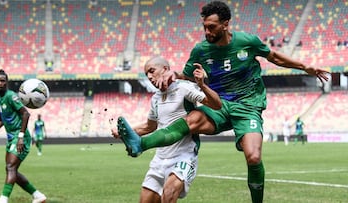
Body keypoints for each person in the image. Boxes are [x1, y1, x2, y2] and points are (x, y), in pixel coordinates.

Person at [117, 1, 330, 203]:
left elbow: (274, 57)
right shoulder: (201, 50)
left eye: (211, 27)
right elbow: (187, 75)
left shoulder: (247, 41)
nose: (207, 32)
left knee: (254, 157)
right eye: (204, 28)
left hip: (248, 106)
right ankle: (140, 144)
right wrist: (174, 74)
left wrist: (305, 67)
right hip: (219, 104)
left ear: (226, 24)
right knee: (192, 120)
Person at [113, 56, 222, 203]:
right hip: (159, 159)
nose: (150, 77)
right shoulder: (156, 98)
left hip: (183, 156)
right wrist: (124, 133)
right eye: (147, 75)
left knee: (169, 194)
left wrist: (202, 85)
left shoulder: (183, 87)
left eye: (152, 71)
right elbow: (149, 127)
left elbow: (217, 105)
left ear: (165, 69)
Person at [0, 70, 47, 203]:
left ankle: (3, 199)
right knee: (11, 169)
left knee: (10, 167)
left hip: (20, 137)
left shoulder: (11, 96)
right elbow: (1, 121)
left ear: (6, 82)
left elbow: (25, 114)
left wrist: (20, 136)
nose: (0, 83)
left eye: (2, 80)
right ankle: (38, 195)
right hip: (11, 138)